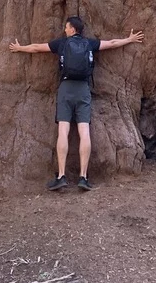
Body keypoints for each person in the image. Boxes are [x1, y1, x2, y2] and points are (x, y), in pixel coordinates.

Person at [9, 16, 144, 191]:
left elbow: (36, 48)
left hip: (66, 89)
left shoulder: (62, 44)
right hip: (83, 89)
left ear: (73, 29)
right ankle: (83, 177)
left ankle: (61, 176)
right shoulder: (89, 43)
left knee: (63, 131)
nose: (64, 30)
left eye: (66, 27)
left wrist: (20, 48)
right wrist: (129, 39)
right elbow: (111, 43)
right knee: (84, 131)